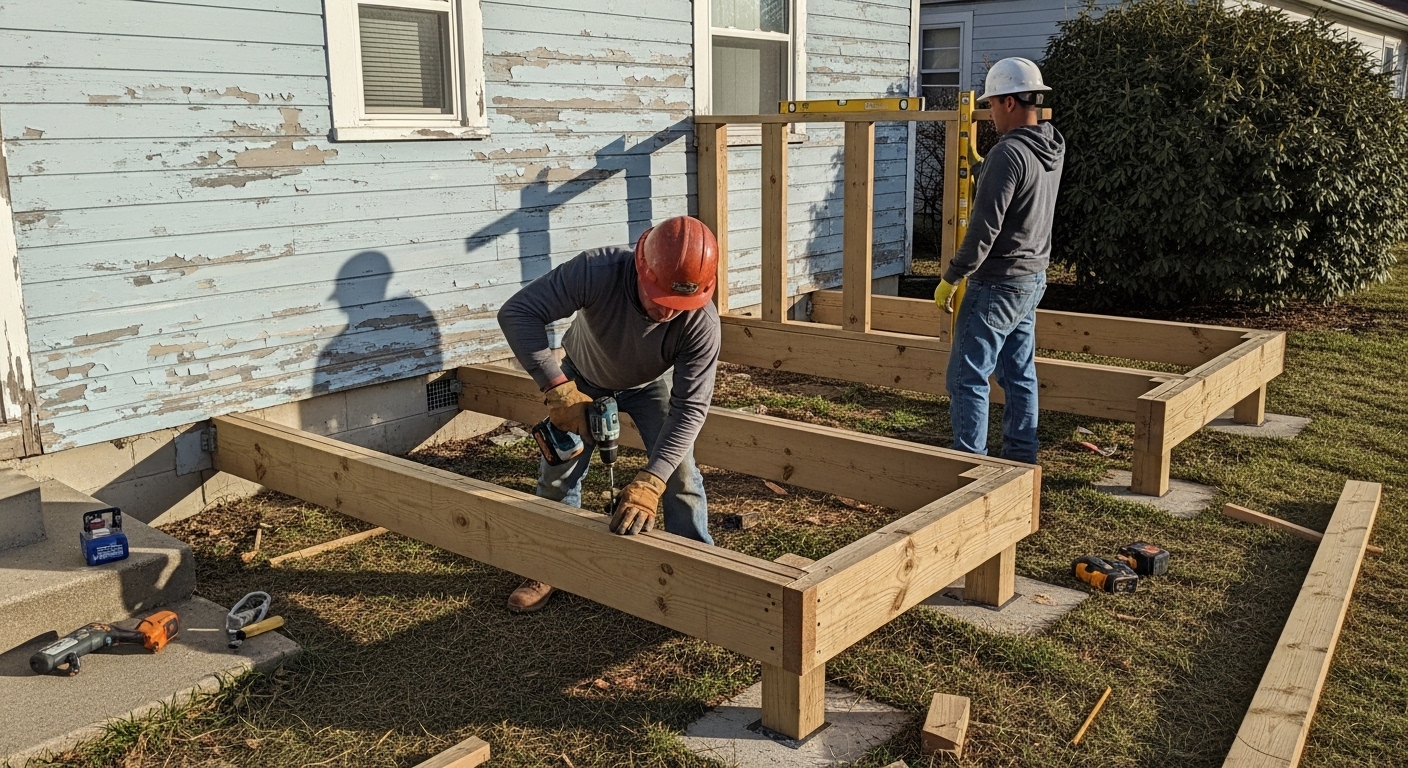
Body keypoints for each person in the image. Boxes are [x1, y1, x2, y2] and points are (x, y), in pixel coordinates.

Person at [495, 215, 722, 613]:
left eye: (679, 305)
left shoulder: (701, 323)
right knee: (559, 471)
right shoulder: (596, 270)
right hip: (581, 378)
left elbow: (690, 408)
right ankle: (550, 565)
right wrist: (558, 390)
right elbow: (518, 313)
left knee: (680, 473)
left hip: (651, 384)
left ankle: (698, 571)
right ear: (640, 266)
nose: (668, 314)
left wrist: (652, 480)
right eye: (659, 300)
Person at [932, 57, 1065, 465]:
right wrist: (983, 171)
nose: (989, 115)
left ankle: (970, 465)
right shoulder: (1051, 145)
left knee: (966, 376)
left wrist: (953, 276)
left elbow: (983, 229)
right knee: (1018, 373)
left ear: (1009, 102)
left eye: (991, 105)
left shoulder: (1007, 155)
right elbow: (1019, 200)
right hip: (1030, 279)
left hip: (997, 284)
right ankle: (1022, 460)